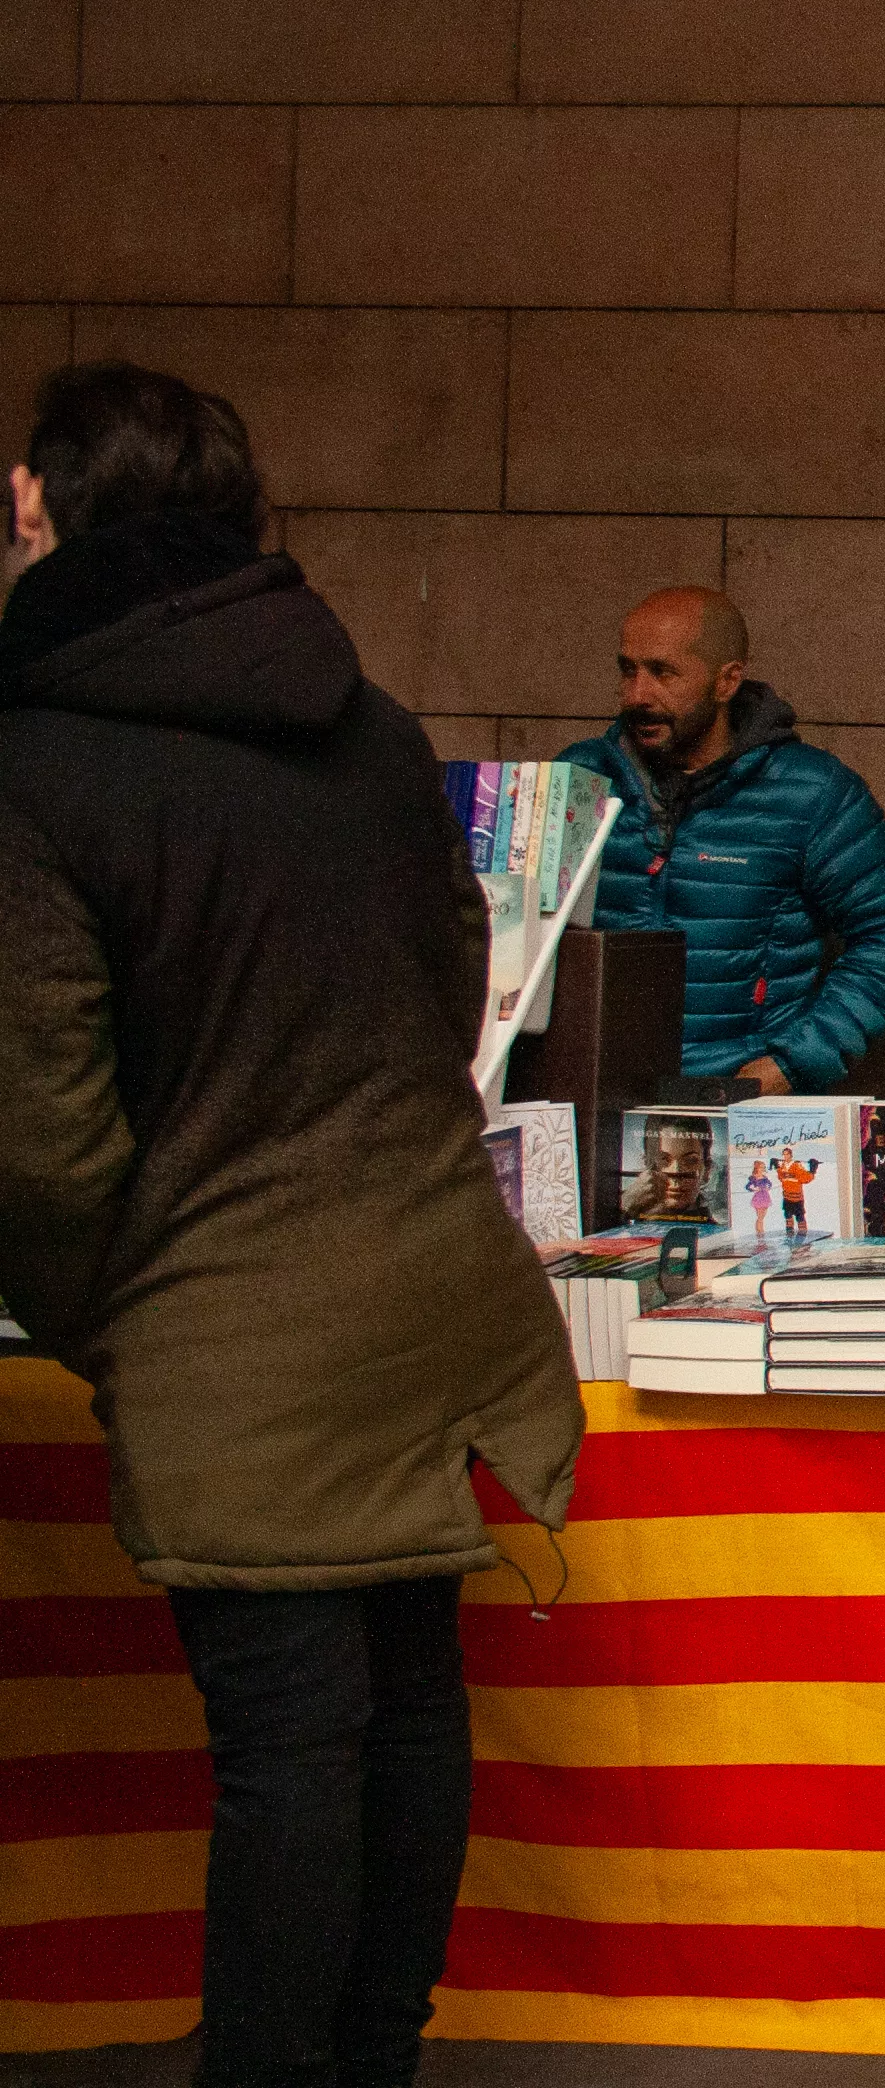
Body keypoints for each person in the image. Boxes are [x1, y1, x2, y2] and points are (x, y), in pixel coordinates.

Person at [0, 363, 583, 2088]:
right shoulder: (373, 723)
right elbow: (452, 978)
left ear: (58, 514)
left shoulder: (34, 767)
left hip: (227, 1315)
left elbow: (32, 1123)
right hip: (428, 1283)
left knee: (284, 1739)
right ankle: (368, 2064)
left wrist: (125, 1305)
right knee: (401, 1697)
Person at [564, 587, 885, 1093]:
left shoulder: (810, 793)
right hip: (590, 1097)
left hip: (739, 1105)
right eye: (628, 670)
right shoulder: (579, 779)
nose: (637, 696)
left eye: (663, 672)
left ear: (727, 681)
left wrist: (789, 1066)